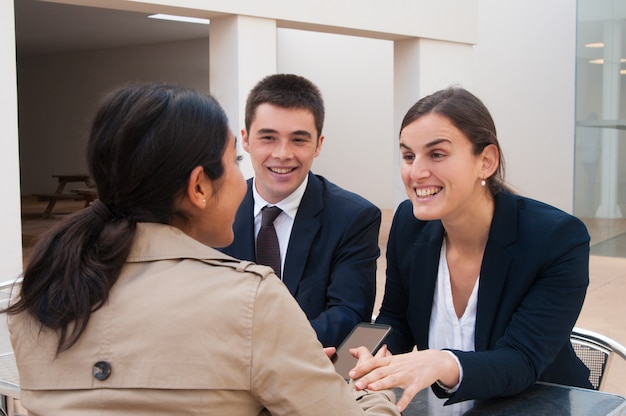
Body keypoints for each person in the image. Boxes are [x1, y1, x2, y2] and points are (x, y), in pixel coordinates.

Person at [3, 83, 399, 415]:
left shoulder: (37, 290)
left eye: (298, 139)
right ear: (198, 187)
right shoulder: (251, 299)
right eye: (234, 161)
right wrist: (376, 392)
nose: (277, 156)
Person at [348, 86, 592, 412]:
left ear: (486, 161)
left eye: (436, 154)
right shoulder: (408, 221)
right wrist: (352, 360)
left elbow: (522, 359)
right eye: (408, 156)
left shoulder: (556, 238)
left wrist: (440, 363)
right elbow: (395, 317)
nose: (416, 172)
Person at [220, 74, 381, 347]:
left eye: (298, 140)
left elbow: (349, 315)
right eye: (268, 137)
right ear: (245, 140)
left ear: (318, 144)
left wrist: (263, 349)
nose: (283, 154)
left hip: (306, 374)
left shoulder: (353, 217)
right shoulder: (216, 210)